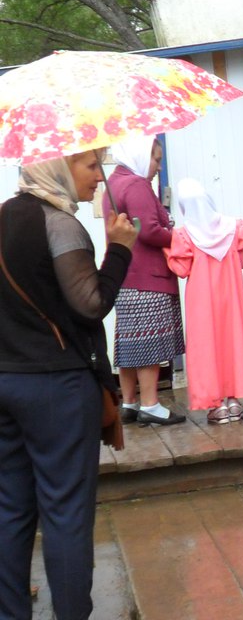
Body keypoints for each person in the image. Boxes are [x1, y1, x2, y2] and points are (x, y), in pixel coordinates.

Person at [0, 151, 138, 620]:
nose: (100, 177)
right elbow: (90, 304)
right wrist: (119, 249)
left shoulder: (2, 216)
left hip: (5, 382)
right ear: (58, 168)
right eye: (90, 166)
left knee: (11, 510)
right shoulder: (58, 222)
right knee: (65, 513)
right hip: (55, 387)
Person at [106, 136, 186, 426]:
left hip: (124, 275)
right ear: (141, 155)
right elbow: (149, 231)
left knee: (129, 343)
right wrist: (179, 235)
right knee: (148, 344)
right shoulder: (137, 185)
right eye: (156, 159)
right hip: (146, 277)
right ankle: (150, 405)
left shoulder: (113, 183)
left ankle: (128, 402)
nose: (157, 166)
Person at [166, 179, 243, 424]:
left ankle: (215, 406)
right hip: (231, 297)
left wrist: (166, 251)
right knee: (232, 341)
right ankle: (233, 400)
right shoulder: (235, 227)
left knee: (206, 346)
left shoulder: (184, 235)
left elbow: (181, 268)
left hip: (201, 301)